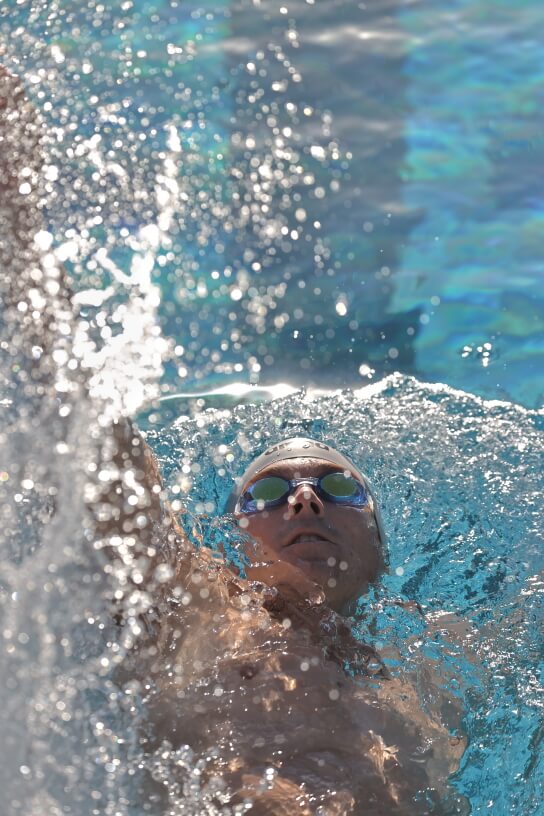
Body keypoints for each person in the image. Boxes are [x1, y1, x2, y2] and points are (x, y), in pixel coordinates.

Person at [1, 67, 468, 815]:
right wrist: (18, 214)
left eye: (338, 486)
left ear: (382, 549)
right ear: (234, 535)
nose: (306, 495)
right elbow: (89, 435)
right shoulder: (198, 611)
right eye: (272, 493)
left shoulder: (436, 671)